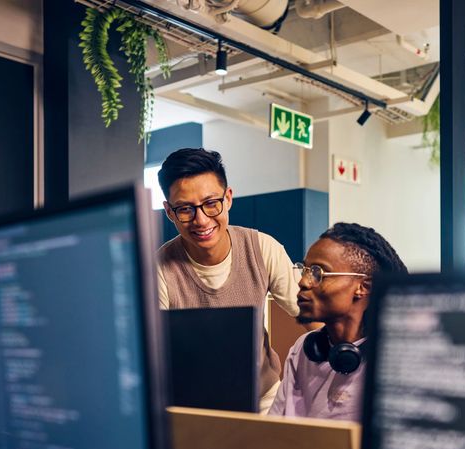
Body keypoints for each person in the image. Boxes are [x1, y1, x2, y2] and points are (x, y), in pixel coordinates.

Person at [156, 148, 300, 414]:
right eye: (185, 209)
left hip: (264, 399)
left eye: (211, 203)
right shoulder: (160, 270)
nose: (201, 220)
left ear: (228, 198)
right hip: (193, 406)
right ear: (169, 212)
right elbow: (155, 357)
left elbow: (312, 312)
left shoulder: (262, 248)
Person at [268, 222, 407, 422]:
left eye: (318, 272)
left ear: (363, 287)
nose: (303, 282)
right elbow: (275, 429)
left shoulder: (395, 360)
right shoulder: (303, 350)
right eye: (305, 270)